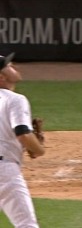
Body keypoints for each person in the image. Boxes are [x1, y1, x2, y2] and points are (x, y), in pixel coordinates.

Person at [0, 53, 46, 228]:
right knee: (26, 225)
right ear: (1, 76)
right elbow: (23, 134)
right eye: (8, 65)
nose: (14, 66)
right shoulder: (15, 100)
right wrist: (39, 150)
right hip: (4, 172)